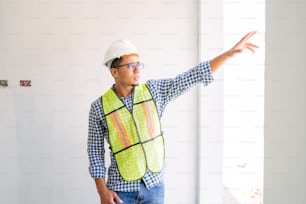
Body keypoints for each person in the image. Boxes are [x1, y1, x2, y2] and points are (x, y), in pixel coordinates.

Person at [87, 31, 258, 204]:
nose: (138, 69)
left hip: (154, 187)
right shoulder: (99, 107)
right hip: (120, 191)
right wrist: (102, 192)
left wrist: (228, 54)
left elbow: (192, 77)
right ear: (114, 72)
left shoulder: (154, 91)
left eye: (139, 64)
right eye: (131, 65)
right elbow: (95, 152)